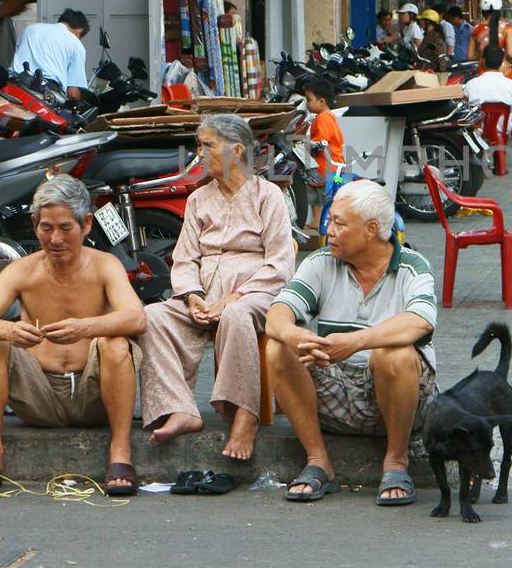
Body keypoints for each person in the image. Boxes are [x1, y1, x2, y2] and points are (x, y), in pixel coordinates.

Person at [0, 176, 146, 497]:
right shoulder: (22, 270)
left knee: (115, 342)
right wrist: (10, 330)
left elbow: (136, 317)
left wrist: (85, 327)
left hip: (93, 397)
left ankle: (121, 453)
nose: (55, 239)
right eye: (46, 228)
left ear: (86, 224)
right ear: (34, 224)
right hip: (38, 397)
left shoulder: (105, 265)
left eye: (65, 228)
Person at [264, 179, 439, 505]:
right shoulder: (321, 262)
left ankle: (396, 461)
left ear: (372, 229)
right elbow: (277, 313)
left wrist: (356, 342)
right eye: (330, 220)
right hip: (336, 396)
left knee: (394, 355)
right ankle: (318, 461)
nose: (328, 229)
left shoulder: (413, 266)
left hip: (401, 401)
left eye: (339, 223)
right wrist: (296, 336)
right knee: (276, 346)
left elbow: (421, 320)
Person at [141, 115, 296, 461]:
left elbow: (281, 264)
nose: (199, 153)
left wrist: (234, 296)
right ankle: (180, 409)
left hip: (253, 295)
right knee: (152, 316)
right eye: (199, 145)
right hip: (203, 294)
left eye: (207, 145)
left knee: (237, 316)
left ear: (236, 150)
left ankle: (245, 416)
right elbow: (184, 259)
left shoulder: (267, 196)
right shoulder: (198, 199)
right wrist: (192, 296)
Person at [463, 40, 512, 166]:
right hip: (503, 129)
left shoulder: (471, 85)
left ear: (482, 61)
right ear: (501, 63)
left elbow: (467, 108)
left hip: (479, 131)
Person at [11, 8, 90, 99]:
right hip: (46, 93)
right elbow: (73, 92)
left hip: (14, 85)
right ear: (79, 31)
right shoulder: (76, 43)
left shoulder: (31, 29)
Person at [302, 75, 347, 231]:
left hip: (325, 165)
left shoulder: (323, 118)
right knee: (319, 195)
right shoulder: (328, 116)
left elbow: (322, 140)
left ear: (321, 101)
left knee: (320, 196)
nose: (307, 103)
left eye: (309, 99)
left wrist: (307, 143)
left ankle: (320, 221)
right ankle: (317, 221)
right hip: (331, 165)